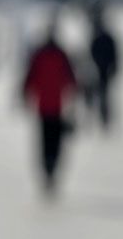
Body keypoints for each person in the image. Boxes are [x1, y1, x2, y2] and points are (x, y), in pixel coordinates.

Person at [22, 22, 78, 194]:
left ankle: (47, 169)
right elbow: (71, 78)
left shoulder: (39, 54)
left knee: (44, 141)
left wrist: (25, 93)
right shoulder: (61, 54)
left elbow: (29, 76)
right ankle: (51, 168)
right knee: (56, 142)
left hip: (43, 105)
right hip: (57, 105)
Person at [89, 8, 119, 128]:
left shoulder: (99, 38)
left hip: (102, 69)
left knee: (102, 94)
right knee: (103, 94)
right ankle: (103, 115)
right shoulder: (105, 37)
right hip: (102, 69)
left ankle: (104, 115)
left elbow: (114, 54)